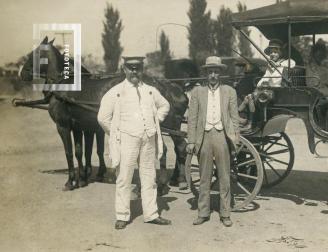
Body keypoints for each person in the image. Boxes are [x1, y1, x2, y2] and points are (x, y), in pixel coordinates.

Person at [97, 56, 172, 230]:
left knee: (149, 177)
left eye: (137, 68)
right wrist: (116, 133)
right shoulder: (116, 91)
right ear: (124, 69)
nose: (134, 71)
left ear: (142, 69)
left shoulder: (150, 91)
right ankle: (122, 215)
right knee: (124, 178)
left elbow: (165, 105)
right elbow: (102, 118)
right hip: (127, 140)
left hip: (148, 140)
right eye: (130, 68)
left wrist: (156, 120)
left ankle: (151, 214)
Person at [186, 56, 240, 227]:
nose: (213, 75)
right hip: (204, 137)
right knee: (204, 177)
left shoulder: (229, 91)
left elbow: (234, 117)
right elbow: (192, 119)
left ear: (220, 74)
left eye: (216, 72)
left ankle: (225, 213)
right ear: (206, 74)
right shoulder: (197, 92)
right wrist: (191, 141)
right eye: (210, 72)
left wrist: (235, 138)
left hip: (222, 136)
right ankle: (203, 212)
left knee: (225, 176)